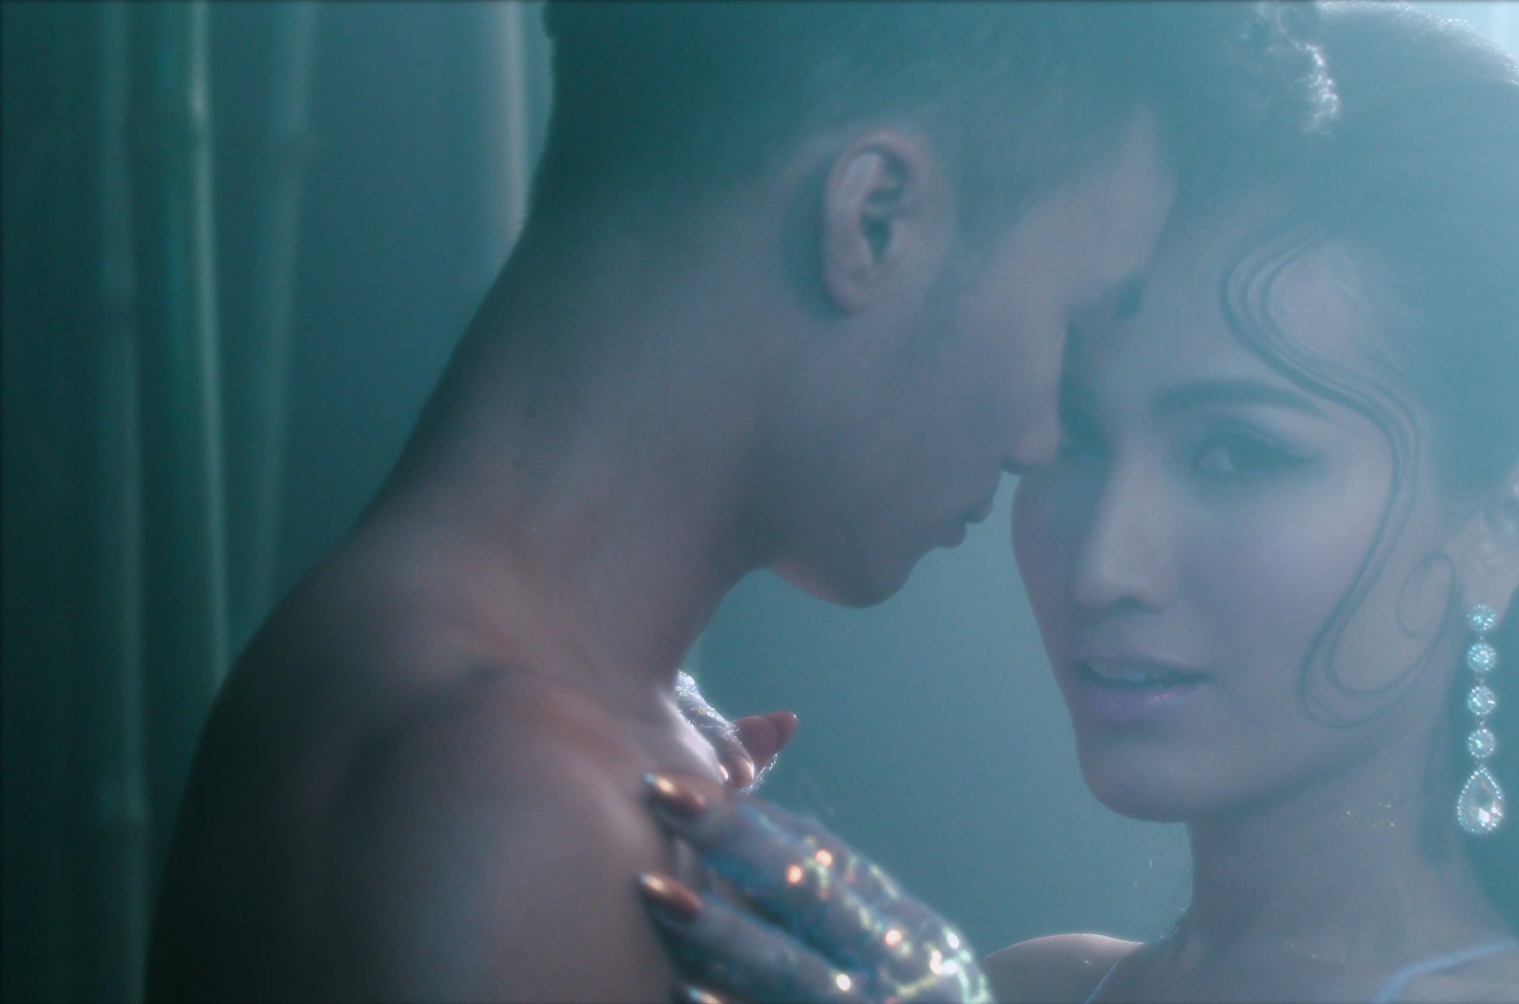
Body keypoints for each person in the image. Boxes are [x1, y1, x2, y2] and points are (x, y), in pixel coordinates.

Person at [142, 4, 1338, 1001]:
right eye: (1073, 319)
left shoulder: (480, 707)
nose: (1039, 439)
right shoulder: (501, 805)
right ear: (873, 217)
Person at [640, 5, 1519, 1002]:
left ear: (1505, 523)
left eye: (1238, 454)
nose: (1105, 565)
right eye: (1077, 437)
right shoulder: (1033, 983)